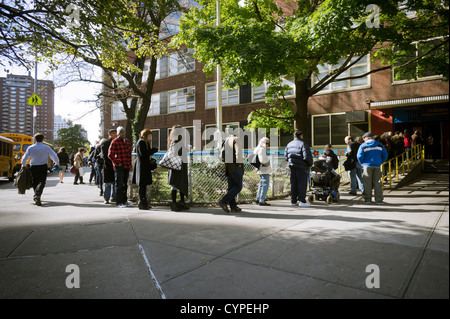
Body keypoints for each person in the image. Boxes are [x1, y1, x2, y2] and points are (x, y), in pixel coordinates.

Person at [21, 133, 60, 206]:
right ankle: (37, 195)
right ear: (43, 139)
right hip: (43, 166)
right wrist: (56, 163)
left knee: (34, 181)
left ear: (35, 139)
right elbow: (54, 156)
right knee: (42, 181)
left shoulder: (30, 147)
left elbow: (25, 157)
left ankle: (36, 195)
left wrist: (23, 165)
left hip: (33, 167)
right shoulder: (46, 147)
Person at [357, 132, 388, 205]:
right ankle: (379, 200)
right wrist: (380, 162)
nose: (363, 140)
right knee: (378, 183)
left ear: (367, 137)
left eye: (364, 138)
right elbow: (385, 155)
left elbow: (359, 156)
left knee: (367, 183)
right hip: (377, 166)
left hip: (366, 166)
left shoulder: (363, 146)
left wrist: (362, 163)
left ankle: (368, 200)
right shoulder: (380, 145)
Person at [285, 130, 313, 207]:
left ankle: (293, 201)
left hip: (292, 167)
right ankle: (302, 201)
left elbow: (286, 156)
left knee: (293, 184)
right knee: (302, 184)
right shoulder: (303, 144)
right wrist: (309, 164)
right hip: (301, 167)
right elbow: (307, 156)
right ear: (301, 135)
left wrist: (291, 162)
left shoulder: (289, 144)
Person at [218, 129, 244, 214]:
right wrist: (239, 164)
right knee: (238, 186)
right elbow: (238, 152)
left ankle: (233, 207)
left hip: (228, 167)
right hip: (235, 166)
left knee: (231, 188)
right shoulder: (236, 139)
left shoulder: (226, 141)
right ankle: (223, 201)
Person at [132, 129, 158, 210]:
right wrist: (153, 150)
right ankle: (142, 202)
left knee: (143, 185)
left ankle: (144, 202)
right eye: (149, 136)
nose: (150, 138)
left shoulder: (144, 142)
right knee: (142, 185)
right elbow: (144, 153)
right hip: (142, 167)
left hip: (143, 166)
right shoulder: (141, 142)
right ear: (145, 135)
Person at [108, 126, 133, 208]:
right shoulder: (115, 142)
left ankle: (124, 201)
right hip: (119, 167)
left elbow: (129, 154)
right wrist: (117, 162)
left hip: (126, 165)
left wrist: (130, 164)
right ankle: (119, 202)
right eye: (121, 132)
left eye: (124, 132)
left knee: (125, 184)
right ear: (118, 134)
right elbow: (110, 154)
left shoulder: (127, 141)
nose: (123, 134)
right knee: (119, 184)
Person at [167, 125, 190, 212]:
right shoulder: (175, 141)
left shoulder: (176, 140)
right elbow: (176, 153)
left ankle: (181, 202)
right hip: (177, 166)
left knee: (180, 183)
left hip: (178, 166)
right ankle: (174, 203)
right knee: (176, 184)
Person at [253, 137, 272, 206]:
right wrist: (268, 163)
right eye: (266, 143)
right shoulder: (262, 149)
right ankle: (262, 200)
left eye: (268, 143)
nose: (267, 145)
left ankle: (258, 199)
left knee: (261, 184)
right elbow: (262, 160)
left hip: (259, 168)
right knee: (265, 185)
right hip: (264, 169)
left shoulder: (257, 148)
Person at [101, 129, 117, 204]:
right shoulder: (105, 143)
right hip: (108, 166)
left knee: (114, 182)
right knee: (107, 183)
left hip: (115, 165)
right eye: (113, 133)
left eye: (115, 133)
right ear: (109, 134)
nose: (114, 135)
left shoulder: (117, 142)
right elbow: (104, 156)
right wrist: (112, 162)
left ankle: (113, 197)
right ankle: (106, 198)